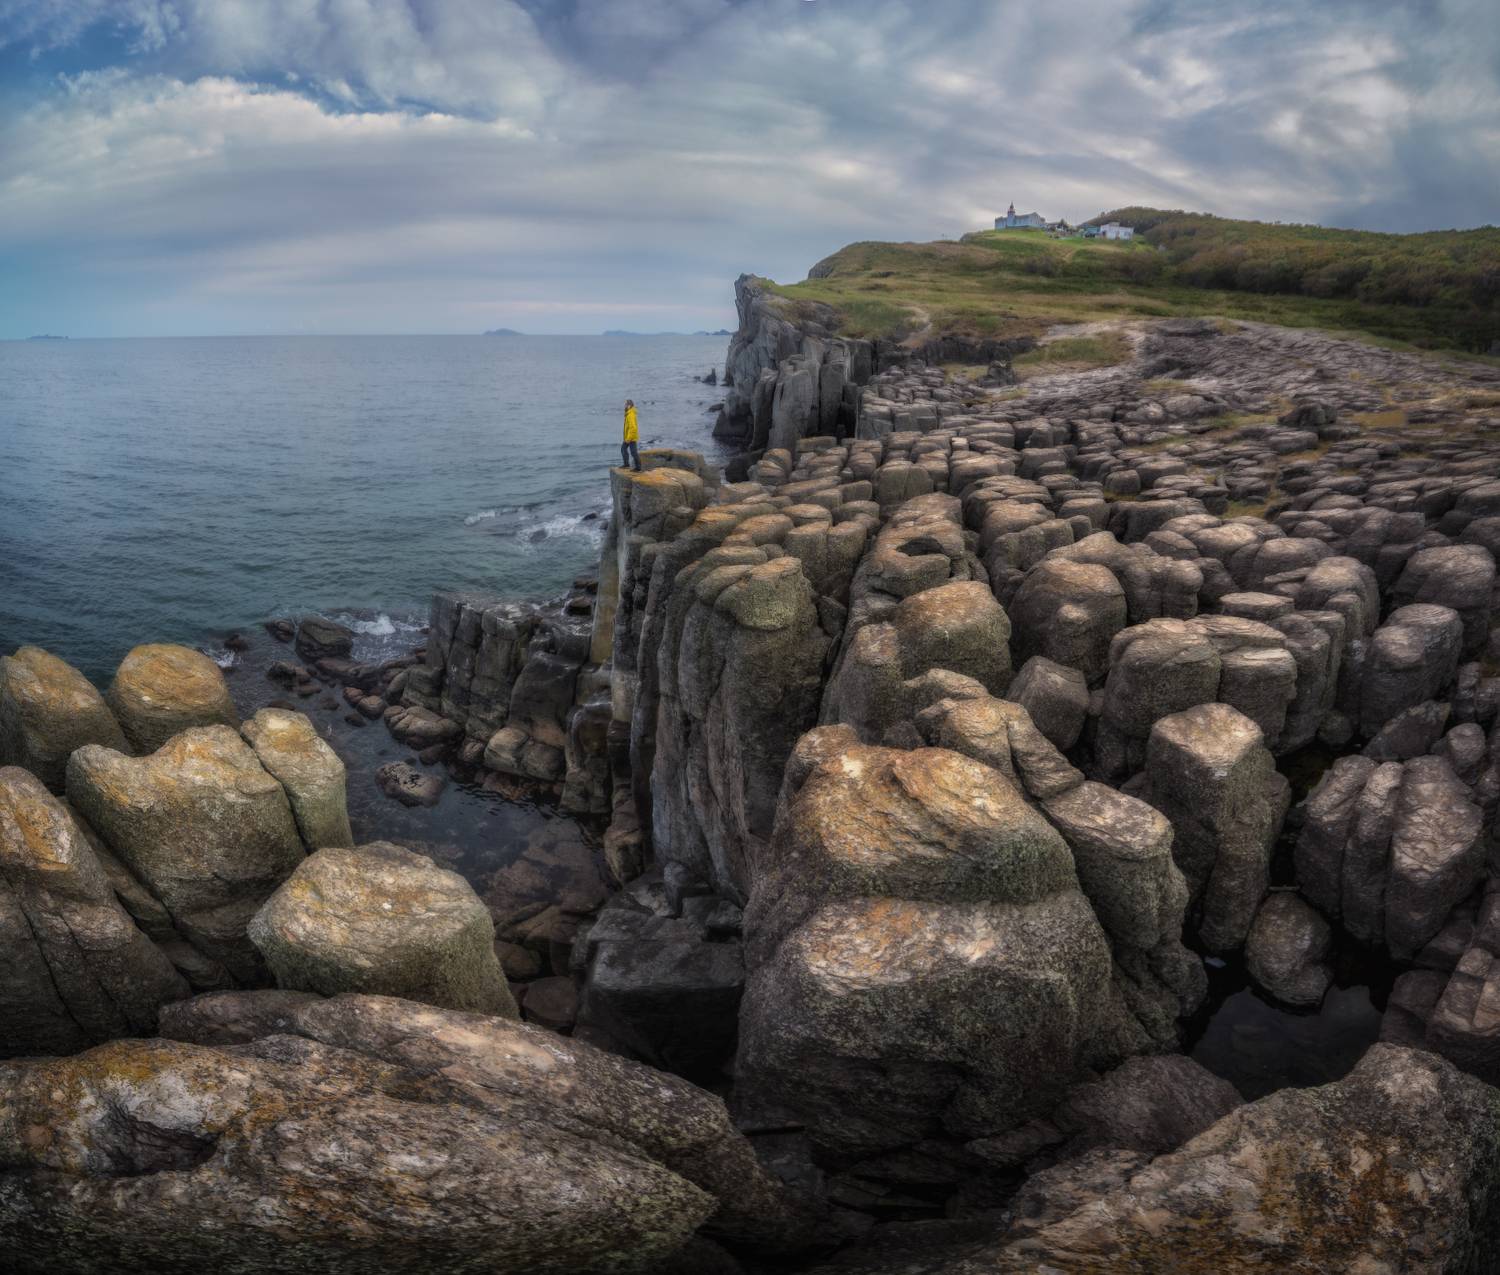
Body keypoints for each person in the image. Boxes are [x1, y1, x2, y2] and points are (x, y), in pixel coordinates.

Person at [620, 399, 641, 471]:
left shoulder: (630, 415)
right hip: (629, 436)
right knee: (630, 451)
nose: (624, 406)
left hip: (630, 437)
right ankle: (628, 465)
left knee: (628, 450)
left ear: (629, 405)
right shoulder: (629, 413)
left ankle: (637, 467)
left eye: (625, 404)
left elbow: (633, 428)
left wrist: (628, 439)